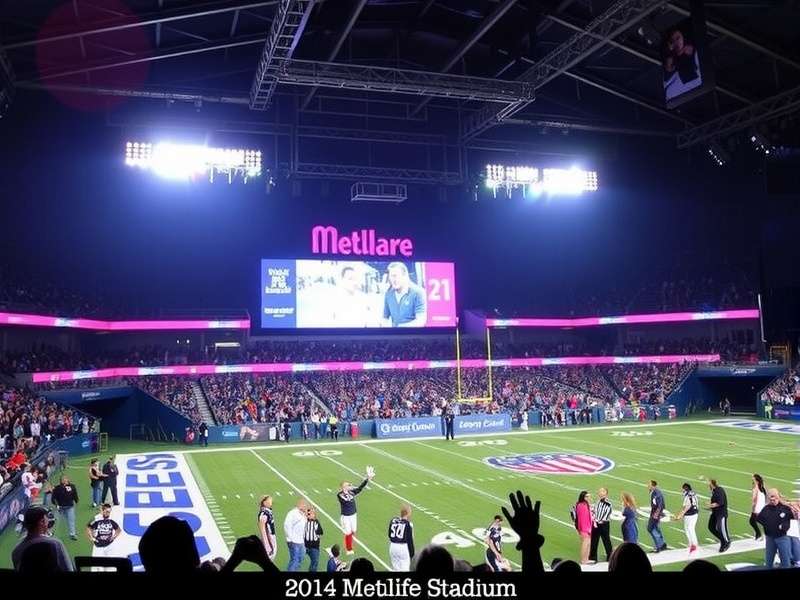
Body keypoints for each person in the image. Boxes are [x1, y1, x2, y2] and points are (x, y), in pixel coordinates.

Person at [12, 506, 73, 572]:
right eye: (46, 518)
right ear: (42, 522)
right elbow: (68, 569)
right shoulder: (55, 544)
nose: (48, 520)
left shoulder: (17, 550)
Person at [337, 466, 374, 555]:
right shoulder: (340, 494)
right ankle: (349, 549)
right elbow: (346, 501)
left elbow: (360, 488)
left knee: (354, 530)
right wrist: (349, 491)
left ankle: (349, 544)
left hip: (353, 515)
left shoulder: (351, 492)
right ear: (343, 487)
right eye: (348, 485)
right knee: (348, 532)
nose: (350, 485)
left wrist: (367, 479)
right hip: (346, 516)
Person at [756, 488, 793, 568]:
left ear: (778, 497)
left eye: (774, 498)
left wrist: (784, 526)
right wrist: (766, 527)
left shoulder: (785, 508)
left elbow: (793, 517)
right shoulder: (766, 508)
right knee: (768, 562)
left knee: (785, 562)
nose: (772, 500)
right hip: (770, 538)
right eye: (770, 498)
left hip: (782, 538)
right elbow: (759, 519)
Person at [382, 262, 427, 327]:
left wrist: (400, 328)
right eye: (391, 277)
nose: (393, 280)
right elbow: (385, 318)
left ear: (405, 276)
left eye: (395, 276)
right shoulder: (388, 294)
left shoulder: (418, 292)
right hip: (394, 336)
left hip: (413, 335)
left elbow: (421, 321)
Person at [672, 483, 699, 554]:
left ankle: (694, 544)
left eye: (683, 489)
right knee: (687, 528)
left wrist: (679, 516)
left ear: (686, 489)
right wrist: (680, 515)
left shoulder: (687, 497)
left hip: (690, 514)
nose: (682, 491)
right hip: (694, 513)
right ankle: (691, 543)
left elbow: (685, 508)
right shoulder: (693, 494)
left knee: (690, 528)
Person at [589, 487, 613, 563]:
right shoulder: (597, 502)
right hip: (596, 524)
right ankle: (593, 557)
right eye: (600, 491)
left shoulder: (608, 503)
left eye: (603, 491)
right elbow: (595, 511)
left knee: (606, 540)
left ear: (606, 493)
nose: (601, 493)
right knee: (594, 540)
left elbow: (607, 514)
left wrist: (599, 521)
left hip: (604, 524)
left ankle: (610, 556)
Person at [284, 498, 308, 572]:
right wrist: (291, 538)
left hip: (301, 541)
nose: (305, 506)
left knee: (300, 557)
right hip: (294, 541)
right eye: (304, 505)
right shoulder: (292, 513)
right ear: (299, 504)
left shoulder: (303, 514)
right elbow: (286, 525)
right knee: (295, 559)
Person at [52, 475, 79, 540]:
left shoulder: (72, 486)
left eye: (66, 479)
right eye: (63, 479)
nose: (65, 480)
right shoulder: (57, 488)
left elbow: (75, 494)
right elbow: (53, 498)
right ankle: (52, 534)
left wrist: (76, 500)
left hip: (69, 506)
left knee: (71, 520)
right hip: (60, 508)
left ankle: (72, 534)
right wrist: (56, 505)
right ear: (61, 481)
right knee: (56, 521)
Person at [388, 505, 415, 571]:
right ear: (408, 513)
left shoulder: (393, 521)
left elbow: (389, 535)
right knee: (405, 569)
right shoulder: (409, 524)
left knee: (395, 569)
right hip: (403, 548)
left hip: (392, 546)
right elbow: (410, 541)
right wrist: (412, 554)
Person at [707, 479, 730, 552]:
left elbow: (720, 502)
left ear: (712, 484)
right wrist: (710, 506)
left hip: (721, 513)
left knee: (721, 529)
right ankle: (722, 540)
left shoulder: (719, 491)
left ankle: (726, 542)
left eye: (709, 484)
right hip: (715, 513)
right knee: (711, 527)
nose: (708, 485)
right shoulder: (714, 491)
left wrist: (710, 505)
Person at [646, 480, 668, 552]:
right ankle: (662, 544)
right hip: (655, 512)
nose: (648, 486)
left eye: (649, 484)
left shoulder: (657, 493)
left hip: (655, 513)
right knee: (656, 528)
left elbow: (660, 505)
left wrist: (656, 514)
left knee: (650, 528)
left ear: (653, 485)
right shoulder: (654, 492)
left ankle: (659, 546)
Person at [575, 490, 593, 564]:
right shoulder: (581, 505)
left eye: (589, 496)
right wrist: (584, 529)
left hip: (588, 527)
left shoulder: (586, 504)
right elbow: (582, 519)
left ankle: (586, 559)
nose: (589, 498)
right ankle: (583, 560)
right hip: (584, 528)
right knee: (585, 543)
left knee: (588, 543)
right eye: (587, 496)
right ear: (583, 497)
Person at [304, 507, 324, 572]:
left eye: (312, 513)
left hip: (314, 546)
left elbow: (321, 532)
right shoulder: (303, 521)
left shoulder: (316, 523)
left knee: (315, 562)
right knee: (296, 560)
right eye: (309, 513)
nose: (310, 515)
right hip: (304, 545)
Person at [258, 495, 277, 561]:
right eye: (269, 500)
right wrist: (267, 546)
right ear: (264, 502)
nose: (271, 501)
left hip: (271, 537)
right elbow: (263, 530)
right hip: (269, 538)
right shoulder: (264, 514)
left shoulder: (268, 511)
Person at [750, 473, 767, 540]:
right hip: (762, 506)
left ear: (757, 481)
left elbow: (754, 499)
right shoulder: (762, 488)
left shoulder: (756, 488)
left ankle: (759, 534)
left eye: (753, 479)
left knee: (753, 521)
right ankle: (759, 534)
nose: (752, 480)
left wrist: (753, 507)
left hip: (757, 507)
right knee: (755, 520)